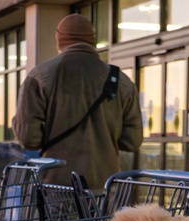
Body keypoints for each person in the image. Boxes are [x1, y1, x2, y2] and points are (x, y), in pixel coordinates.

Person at [12, 14, 142, 190]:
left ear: (59, 40)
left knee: (57, 210)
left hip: (56, 184)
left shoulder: (39, 77)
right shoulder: (120, 81)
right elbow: (132, 140)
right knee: (101, 210)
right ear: (92, 40)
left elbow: (28, 138)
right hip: (104, 185)